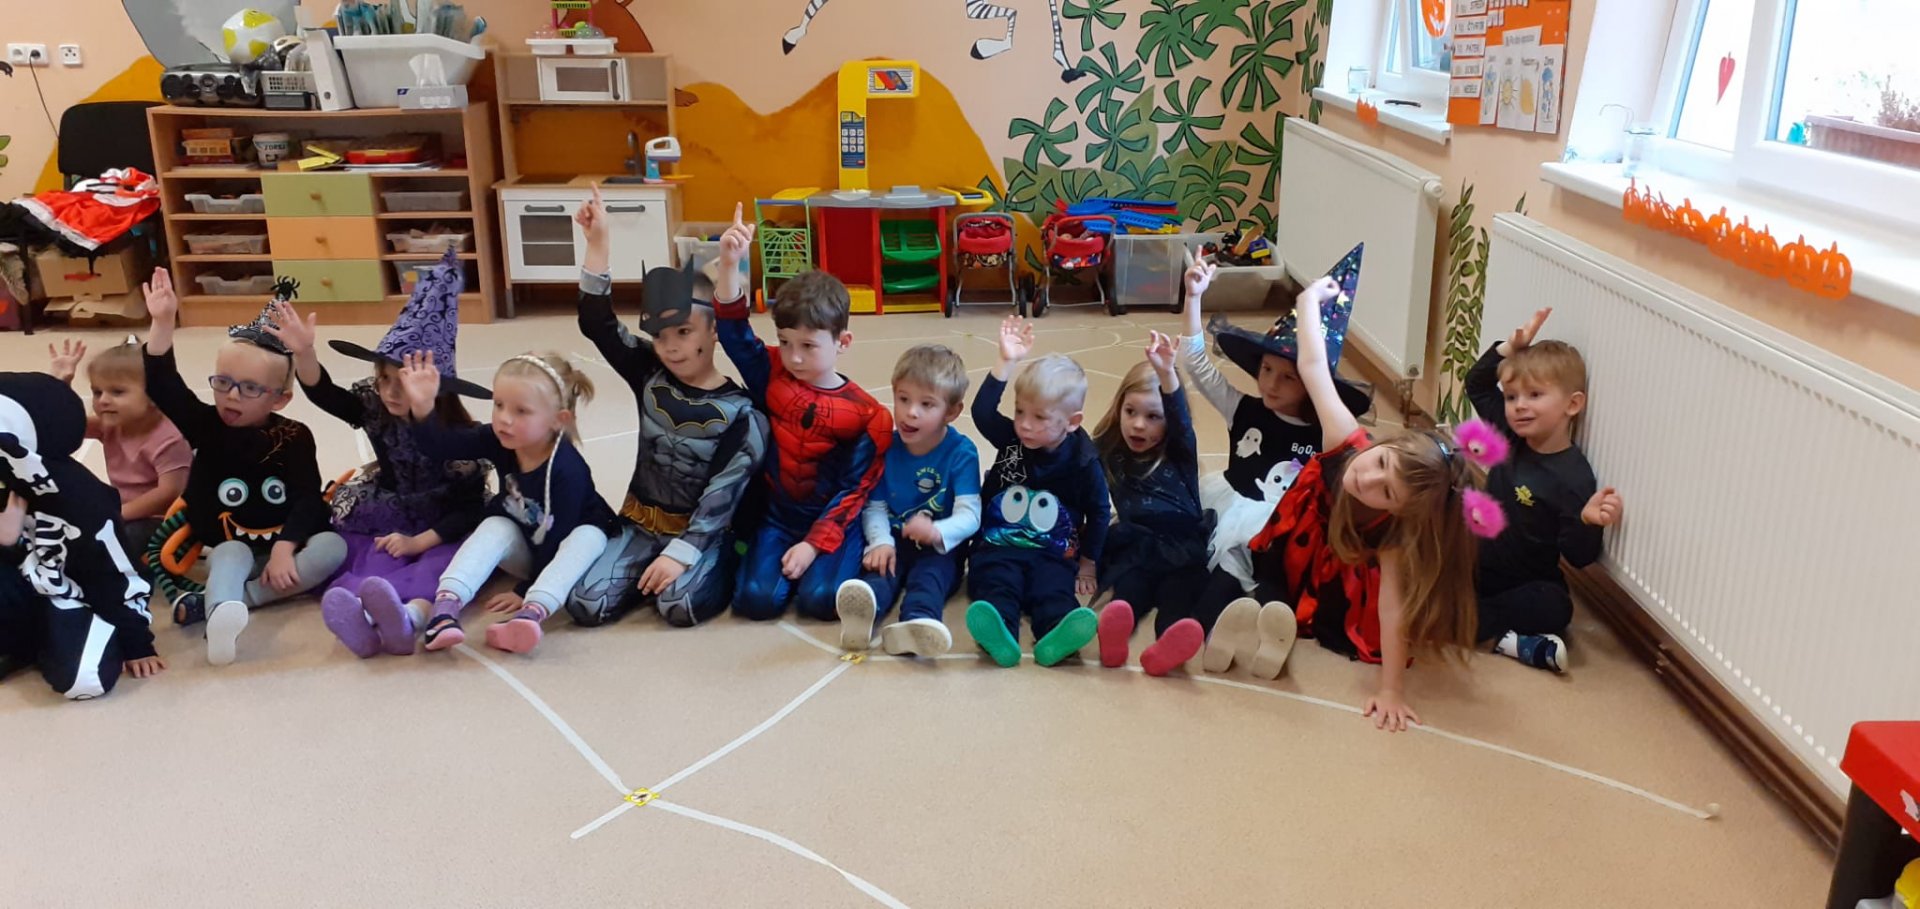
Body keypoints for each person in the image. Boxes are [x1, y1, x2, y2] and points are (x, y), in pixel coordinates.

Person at [1233, 245, 1507, 730]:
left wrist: (1391, 690)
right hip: (1299, 539)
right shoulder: (1347, 441)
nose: (1367, 478)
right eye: (1381, 463)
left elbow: (1392, 607)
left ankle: (1277, 622)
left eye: (1386, 492)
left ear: (1399, 511)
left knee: (1333, 622)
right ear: (1385, 444)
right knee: (1261, 574)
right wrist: (1307, 303)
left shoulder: (1395, 534)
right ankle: (1254, 611)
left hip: (1338, 569)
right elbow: (1313, 368)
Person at [272, 249, 494, 659]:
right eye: (384, 378)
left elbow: (468, 511)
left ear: (434, 385)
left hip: (442, 523)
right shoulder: (374, 406)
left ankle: (409, 619)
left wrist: (419, 541)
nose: (390, 391)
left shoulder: (458, 436)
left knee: (438, 564)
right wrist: (304, 353)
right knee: (367, 557)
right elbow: (327, 396)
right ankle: (365, 614)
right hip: (390, 510)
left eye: (403, 381)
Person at [566, 189, 768, 629]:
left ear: (714, 330)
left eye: (683, 332)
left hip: (703, 532)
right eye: (660, 336)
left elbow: (723, 494)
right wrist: (598, 243)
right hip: (639, 523)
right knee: (586, 604)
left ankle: (725, 562)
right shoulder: (648, 371)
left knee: (678, 607)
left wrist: (684, 551)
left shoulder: (743, 413)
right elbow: (597, 323)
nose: (671, 347)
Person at [140, 272, 346, 666]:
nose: (232, 396)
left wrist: (285, 547)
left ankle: (236, 601)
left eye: (250, 388)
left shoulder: (294, 436)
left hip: (286, 545)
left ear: (280, 399)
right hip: (230, 543)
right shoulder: (206, 425)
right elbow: (163, 385)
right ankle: (221, 616)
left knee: (333, 547)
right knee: (231, 555)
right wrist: (163, 323)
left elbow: (307, 497)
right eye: (223, 382)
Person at [1179, 251, 1370, 673]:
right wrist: (1193, 298)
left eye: (1288, 376)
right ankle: (1198, 632)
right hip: (1237, 513)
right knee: (1226, 568)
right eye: (1266, 369)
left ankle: (1273, 639)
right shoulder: (1243, 409)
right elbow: (1196, 365)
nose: (1270, 383)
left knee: (1274, 582)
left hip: (1287, 531)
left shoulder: (1324, 432)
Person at [710, 206, 893, 622]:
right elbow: (735, 335)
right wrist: (729, 265)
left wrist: (813, 545)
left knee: (822, 601)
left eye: (808, 346)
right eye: (785, 341)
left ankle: (876, 578)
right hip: (777, 515)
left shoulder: (870, 415)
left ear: (842, 342)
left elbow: (853, 491)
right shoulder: (773, 370)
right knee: (755, 601)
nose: (794, 357)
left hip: (831, 519)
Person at [405, 351, 617, 655]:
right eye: (499, 405)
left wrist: (524, 590)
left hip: (567, 554)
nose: (504, 418)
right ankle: (445, 609)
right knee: (495, 524)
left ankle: (530, 615)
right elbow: (441, 446)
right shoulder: (500, 438)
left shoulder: (568, 470)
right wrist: (423, 408)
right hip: (528, 544)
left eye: (521, 411)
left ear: (558, 421)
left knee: (587, 536)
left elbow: (558, 535)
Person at [1466, 306, 1623, 672]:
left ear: (1573, 404)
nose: (1519, 407)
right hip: (1474, 564)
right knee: (1425, 563)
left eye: (1535, 395)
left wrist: (1588, 521)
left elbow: (1579, 557)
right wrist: (1509, 348)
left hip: (1526, 582)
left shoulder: (1573, 476)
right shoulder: (1510, 436)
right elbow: (1477, 383)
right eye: (1511, 397)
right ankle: (1504, 639)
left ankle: (1468, 622)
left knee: (1556, 609)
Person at [0, 372, 162, 699]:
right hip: (25, 580)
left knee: (84, 679)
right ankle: (24, 641)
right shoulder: (10, 479)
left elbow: (116, 572)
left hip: (73, 593)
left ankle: (42, 639)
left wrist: (137, 642)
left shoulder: (83, 501)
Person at [964, 317, 1109, 668]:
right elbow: (982, 413)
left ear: (1072, 422)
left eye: (1040, 417)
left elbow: (1100, 511)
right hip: (999, 543)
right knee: (996, 582)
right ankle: (998, 632)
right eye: (1019, 412)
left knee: (1054, 589)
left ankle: (1058, 634)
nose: (1025, 424)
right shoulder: (1013, 438)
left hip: (1053, 551)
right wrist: (1005, 362)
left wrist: (1088, 563)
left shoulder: (1083, 459)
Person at [834, 344, 980, 656]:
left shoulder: (962, 453)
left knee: (929, 581)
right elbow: (874, 505)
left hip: (940, 547)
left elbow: (971, 515)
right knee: (879, 575)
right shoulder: (887, 446)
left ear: (951, 412)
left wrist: (937, 532)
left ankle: (917, 624)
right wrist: (880, 542)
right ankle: (863, 617)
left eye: (927, 404)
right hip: (895, 538)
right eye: (903, 399)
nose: (911, 412)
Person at [1090, 332, 1212, 676]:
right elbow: (1074, 455)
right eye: (1130, 411)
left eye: (1153, 416)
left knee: (1178, 595)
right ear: (1119, 408)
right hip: (1137, 543)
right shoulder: (1108, 449)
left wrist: (1167, 374)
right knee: (1130, 588)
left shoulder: (1179, 450)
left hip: (1181, 545)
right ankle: (1113, 637)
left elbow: (1181, 419)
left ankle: (1167, 648)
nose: (1139, 424)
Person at [47, 337, 190, 562]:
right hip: (123, 508)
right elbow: (65, 424)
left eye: (117, 392)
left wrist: (116, 515)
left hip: (165, 520)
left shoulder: (170, 438)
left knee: (115, 542)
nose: (103, 400)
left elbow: (169, 493)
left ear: (155, 394)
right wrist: (61, 385)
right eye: (97, 392)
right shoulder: (111, 424)